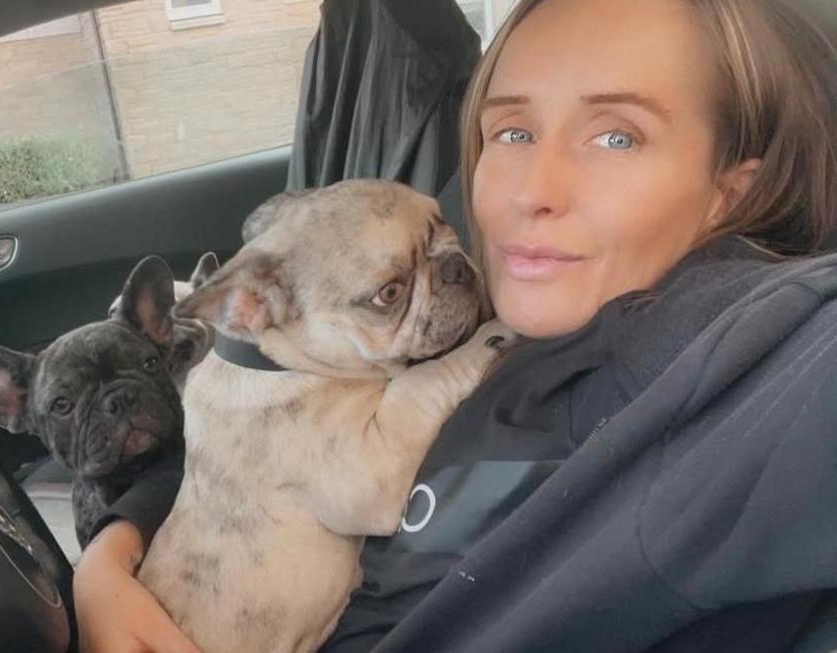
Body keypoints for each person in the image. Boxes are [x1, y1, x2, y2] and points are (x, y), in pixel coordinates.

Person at [72, 0, 837, 650]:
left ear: (728, 196)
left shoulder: (717, 359)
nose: (533, 188)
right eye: (511, 133)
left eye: (616, 136)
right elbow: (261, 454)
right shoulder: (530, 295)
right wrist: (115, 548)